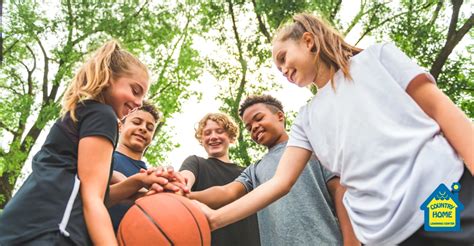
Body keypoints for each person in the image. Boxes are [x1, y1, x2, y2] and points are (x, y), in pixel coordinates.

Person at [195, 13, 474, 246]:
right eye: (277, 66)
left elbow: (441, 110)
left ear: (308, 42)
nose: (281, 69)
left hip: (441, 200)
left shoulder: (377, 58)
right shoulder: (307, 119)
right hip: (384, 235)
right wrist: (213, 219)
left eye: (282, 57)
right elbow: (279, 183)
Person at [0, 40, 157, 245]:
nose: (138, 103)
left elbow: (88, 196)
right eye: (136, 91)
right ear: (109, 78)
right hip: (52, 231)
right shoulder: (102, 115)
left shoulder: (84, 112)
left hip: (27, 226)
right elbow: (92, 201)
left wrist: (137, 182)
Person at [189, 95, 358, 245]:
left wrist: (351, 241)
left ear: (280, 116)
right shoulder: (255, 170)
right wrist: (184, 195)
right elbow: (226, 192)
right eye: (248, 127)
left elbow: (339, 191)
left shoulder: (311, 148)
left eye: (259, 118)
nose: (254, 127)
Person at [179, 113, 260, 246]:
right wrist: (179, 184)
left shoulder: (248, 173)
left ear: (231, 138)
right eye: (207, 133)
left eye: (219, 131)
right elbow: (184, 179)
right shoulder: (196, 163)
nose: (213, 137)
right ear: (201, 140)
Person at [107, 101, 187, 232]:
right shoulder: (104, 157)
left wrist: (174, 189)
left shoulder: (152, 174)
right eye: (136, 122)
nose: (143, 128)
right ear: (120, 126)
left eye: (150, 128)